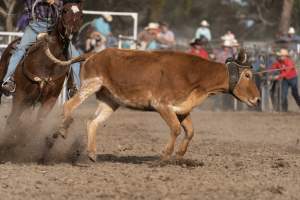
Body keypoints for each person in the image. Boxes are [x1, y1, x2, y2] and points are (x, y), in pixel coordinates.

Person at [1, 0, 82, 94]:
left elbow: (65, 8)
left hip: (54, 29)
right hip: (35, 27)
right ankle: (9, 79)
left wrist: (56, 2)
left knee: (75, 55)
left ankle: (75, 87)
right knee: (20, 49)